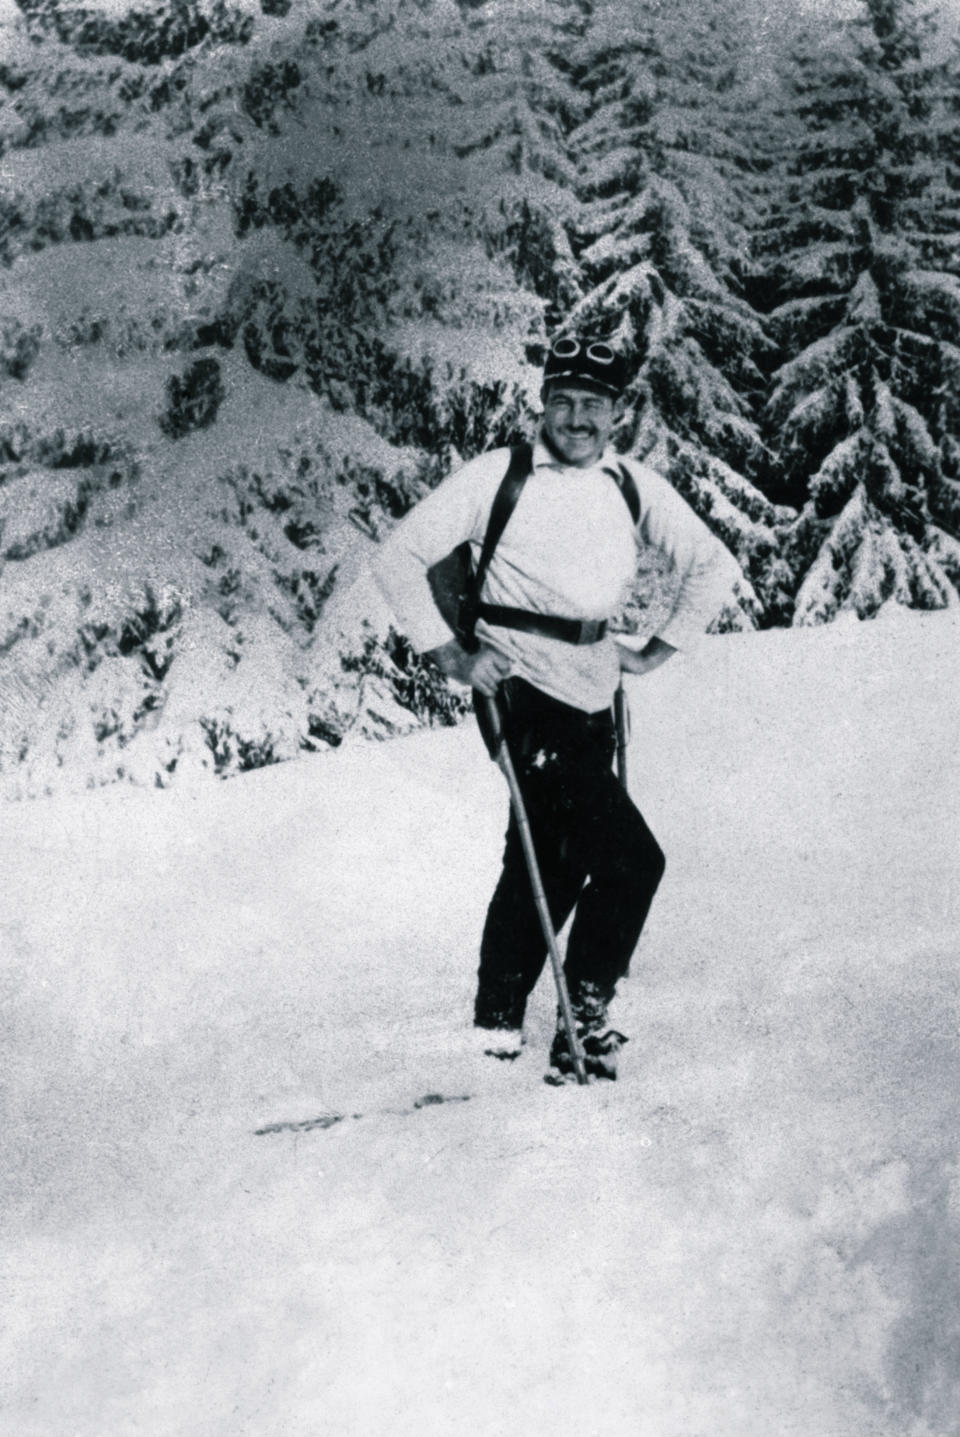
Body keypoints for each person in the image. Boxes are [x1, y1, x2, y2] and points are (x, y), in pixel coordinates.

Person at [372, 335, 739, 1079]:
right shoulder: (497, 477)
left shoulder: (629, 484)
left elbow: (711, 564)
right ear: (542, 403)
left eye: (594, 405)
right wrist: (453, 656)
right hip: (520, 692)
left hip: (595, 689)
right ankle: (584, 1018)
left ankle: (496, 1019)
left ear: (615, 414)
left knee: (552, 853)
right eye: (564, 401)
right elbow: (399, 558)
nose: (577, 417)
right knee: (633, 861)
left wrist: (656, 649)